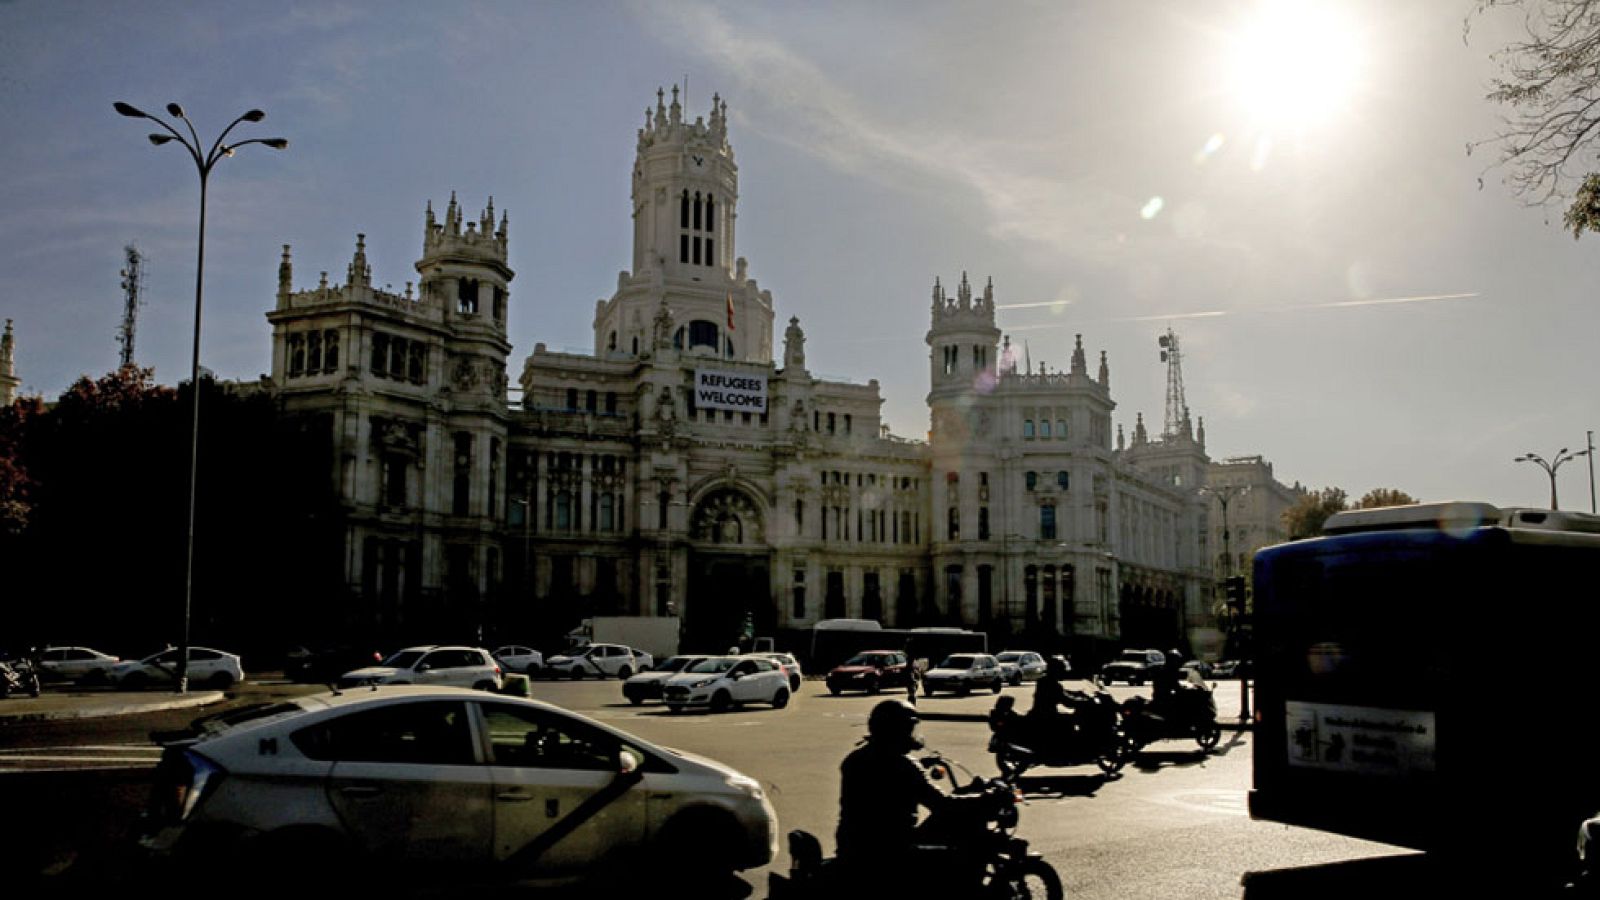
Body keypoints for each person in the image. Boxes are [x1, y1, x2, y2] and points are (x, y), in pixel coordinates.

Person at [835, 699, 990, 892]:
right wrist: (986, 799)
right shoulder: (904, 766)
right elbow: (941, 804)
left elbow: (884, 778)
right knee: (960, 857)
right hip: (893, 850)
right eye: (908, 729)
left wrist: (921, 764)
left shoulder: (855, 759)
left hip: (854, 846)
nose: (912, 735)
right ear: (896, 730)